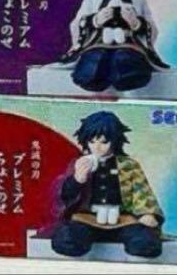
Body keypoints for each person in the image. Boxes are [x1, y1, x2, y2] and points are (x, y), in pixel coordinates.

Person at [50, 111, 164, 259]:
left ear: (115, 141)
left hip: (123, 220)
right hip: (86, 219)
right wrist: (77, 180)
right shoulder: (79, 163)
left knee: (146, 242)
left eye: (104, 142)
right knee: (67, 239)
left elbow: (141, 191)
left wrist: (148, 213)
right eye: (92, 142)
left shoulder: (129, 165)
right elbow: (64, 196)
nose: (97, 147)